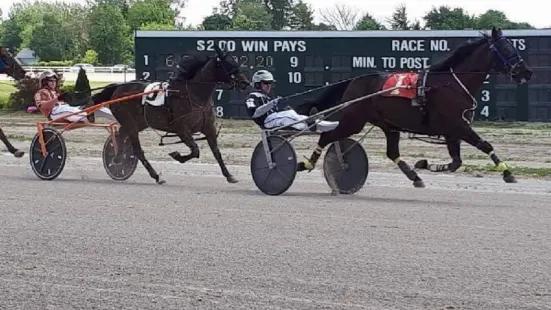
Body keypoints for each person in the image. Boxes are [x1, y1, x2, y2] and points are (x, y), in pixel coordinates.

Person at [245, 70, 339, 132]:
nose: (269, 85)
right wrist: (271, 104)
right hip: (267, 122)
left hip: (275, 119)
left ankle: (334, 126)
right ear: (257, 84)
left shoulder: (267, 97)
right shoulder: (252, 97)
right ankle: (310, 124)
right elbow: (254, 114)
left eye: (270, 83)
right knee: (289, 115)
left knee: (295, 115)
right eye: (266, 83)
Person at [33, 70, 117, 123]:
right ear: (44, 82)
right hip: (54, 113)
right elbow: (43, 106)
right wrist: (57, 99)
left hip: (69, 109)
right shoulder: (40, 93)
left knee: (97, 108)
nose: (53, 82)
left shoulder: (56, 92)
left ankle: (119, 119)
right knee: (64, 109)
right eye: (50, 80)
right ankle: (86, 116)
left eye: (55, 80)